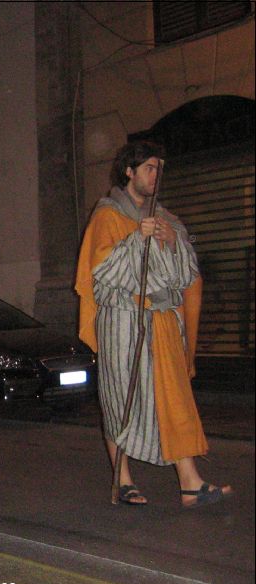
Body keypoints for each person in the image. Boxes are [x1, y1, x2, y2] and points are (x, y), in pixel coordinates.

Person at [75, 140, 233, 508]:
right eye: (149, 167)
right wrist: (136, 240)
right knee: (120, 400)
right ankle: (123, 479)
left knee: (173, 397)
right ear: (129, 171)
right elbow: (102, 274)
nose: (155, 175)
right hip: (123, 323)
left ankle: (190, 482)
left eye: (160, 168)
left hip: (161, 322)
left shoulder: (167, 220)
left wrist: (172, 243)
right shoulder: (107, 215)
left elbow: (186, 277)